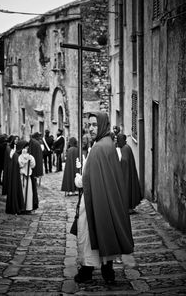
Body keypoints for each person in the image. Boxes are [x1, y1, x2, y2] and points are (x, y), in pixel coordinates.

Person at [73, 111, 134, 284]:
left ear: (102, 125)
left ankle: (87, 270)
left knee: (88, 232)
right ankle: (107, 269)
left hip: (94, 198)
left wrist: (79, 180)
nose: (91, 128)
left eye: (94, 125)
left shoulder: (99, 147)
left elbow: (88, 179)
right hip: (102, 196)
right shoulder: (106, 143)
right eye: (89, 125)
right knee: (104, 230)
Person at [116, 133, 143, 214]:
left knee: (127, 189)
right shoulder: (126, 147)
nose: (117, 143)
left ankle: (128, 207)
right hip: (127, 174)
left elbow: (124, 161)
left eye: (118, 141)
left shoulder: (125, 148)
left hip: (126, 175)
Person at [4, 135, 25, 215]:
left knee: (17, 188)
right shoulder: (9, 148)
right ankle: (13, 208)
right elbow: (10, 159)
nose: (16, 140)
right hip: (12, 172)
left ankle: (18, 207)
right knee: (13, 188)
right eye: (15, 139)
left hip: (16, 171)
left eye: (17, 139)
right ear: (12, 140)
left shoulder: (16, 148)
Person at [18, 140, 37, 213]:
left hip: (28, 177)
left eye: (27, 147)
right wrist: (24, 159)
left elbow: (33, 165)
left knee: (29, 194)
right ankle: (22, 207)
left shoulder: (30, 156)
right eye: (26, 147)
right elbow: (20, 165)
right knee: (22, 193)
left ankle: (28, 208)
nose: (27, 148)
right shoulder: (20, 156)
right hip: (22, 176)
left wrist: (30, 159)